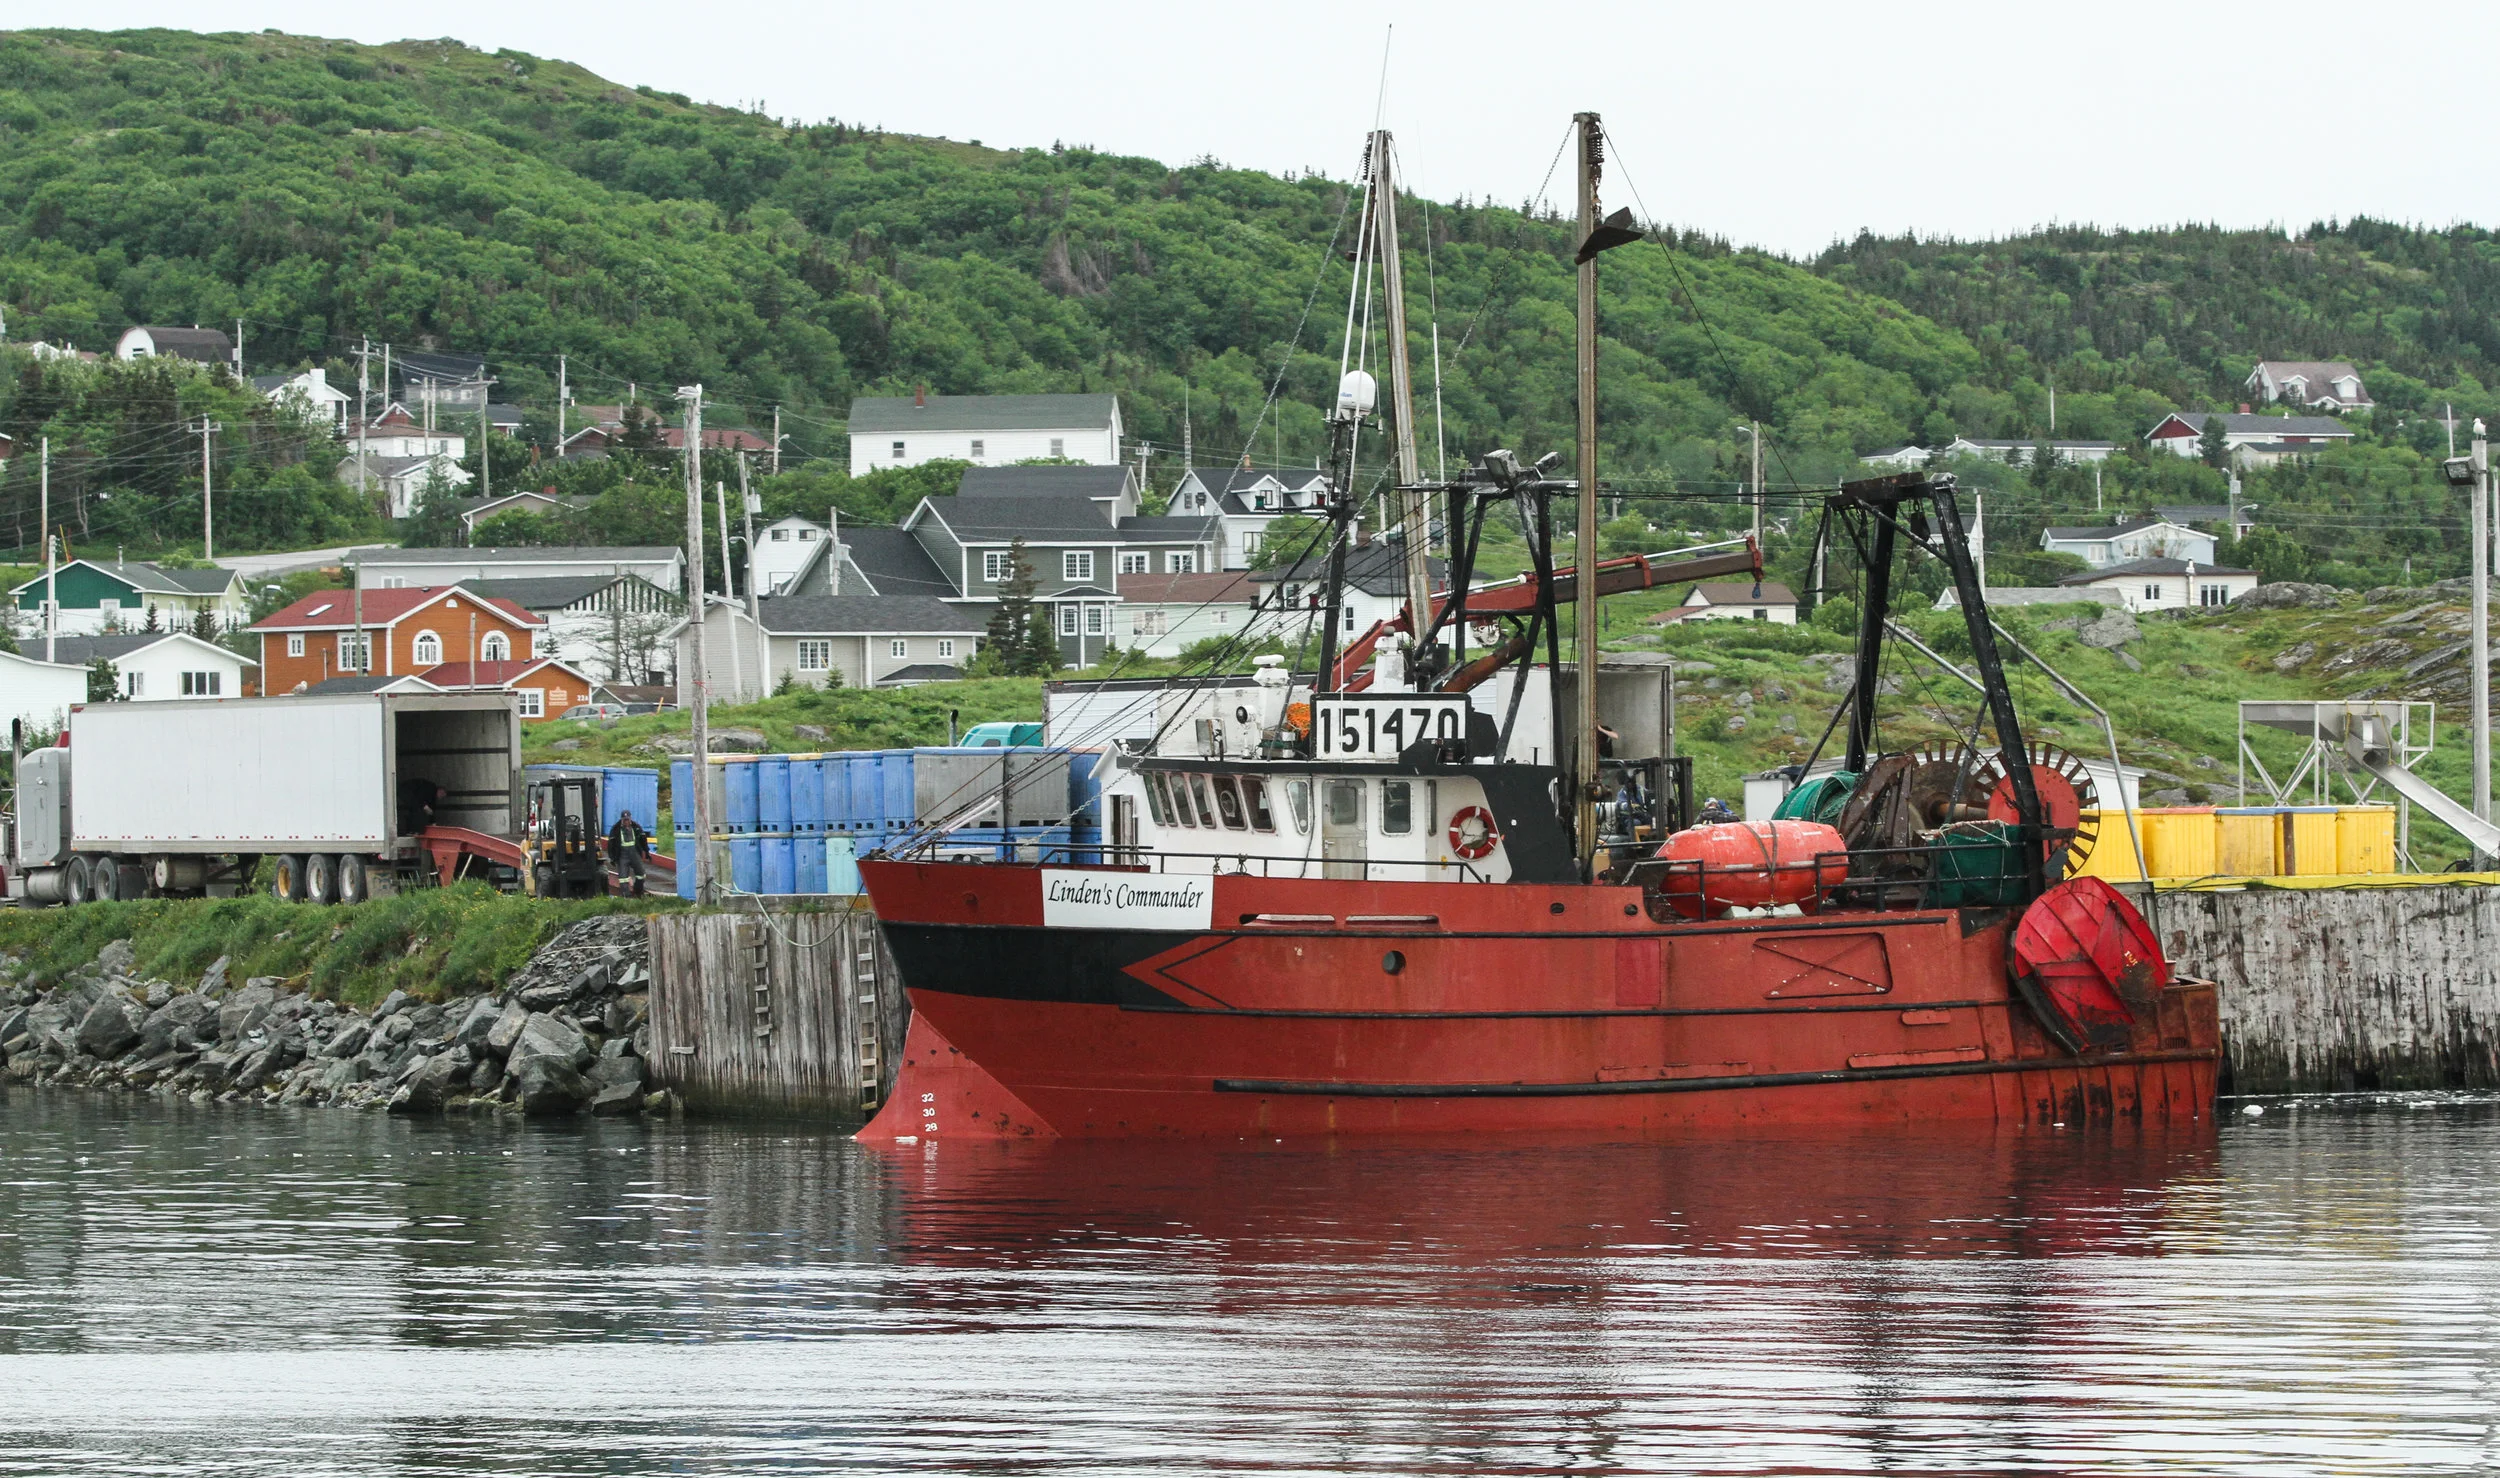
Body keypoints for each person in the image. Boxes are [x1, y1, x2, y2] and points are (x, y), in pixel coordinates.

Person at [608, 808, 651, 896]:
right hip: (622, 855)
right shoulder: (615, 829)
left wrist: (647, 852)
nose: (626, 822)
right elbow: (611, 844)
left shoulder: (636, 827)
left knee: (641, 874)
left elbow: (643, 839)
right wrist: (612, 858)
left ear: (630, 819)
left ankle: (638, 891)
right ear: (622, 820)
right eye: (624, 820)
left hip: (634, 853)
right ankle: (626, 896)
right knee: (623, 877)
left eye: (628, 819)